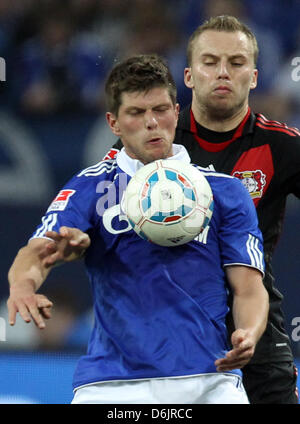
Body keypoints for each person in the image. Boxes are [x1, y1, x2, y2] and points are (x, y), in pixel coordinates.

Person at [7, 54, 268, 404]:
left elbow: (249, 287)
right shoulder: (92, 187)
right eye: (136, 113)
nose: (152, 123)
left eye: (160, 110)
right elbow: (38, 250)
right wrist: (23, 285)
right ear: (114, 123)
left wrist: (249, 334)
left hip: (208, 378)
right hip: (111, 382)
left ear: (177, 112)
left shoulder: (224, 191)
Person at [110, 16, 300, 404]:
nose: (223, 72)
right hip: (169, 322)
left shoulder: (282, 146)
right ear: (190, 75)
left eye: (236, 62)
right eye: (210, 62)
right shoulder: (152, 138)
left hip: (253, 313)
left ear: (255, 75)